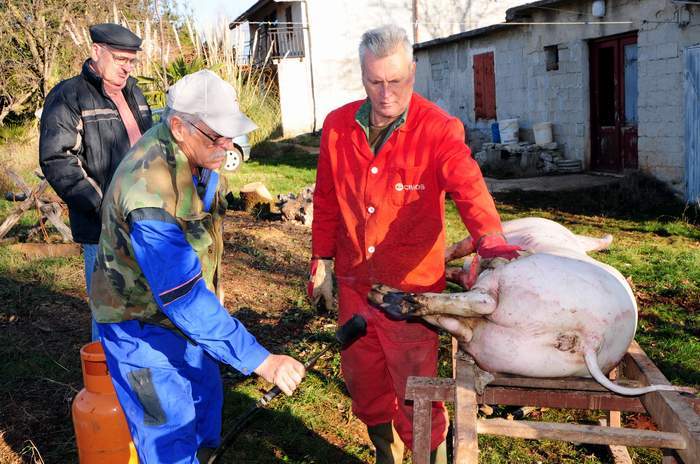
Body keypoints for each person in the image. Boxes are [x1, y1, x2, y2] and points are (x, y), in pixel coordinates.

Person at [309, 25, 521, 464]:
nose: (385, 94)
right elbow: (326, 198)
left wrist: (491, 240)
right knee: (364, 383)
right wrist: (321, 260)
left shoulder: (439, 130)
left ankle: (428, 456)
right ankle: (385, 455)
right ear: (362, 76)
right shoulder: (337, 128)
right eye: (375, 82)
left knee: (416, 390)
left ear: (413, 72)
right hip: (353, 284)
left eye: (397, 82)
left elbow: (468, 186)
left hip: (411, 295)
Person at [89, 69, 306, 463]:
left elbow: (202, 238)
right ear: (178, 126)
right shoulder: (148, 193)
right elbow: (183, 297)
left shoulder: (199, 156)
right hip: (139, 329)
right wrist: (262, 360)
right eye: (216, 135)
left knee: (206, 401)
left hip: (183, 321)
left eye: (230, 133)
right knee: (167, 432)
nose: (227, 144)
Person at [39, 23, 152, 341]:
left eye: (131, 61)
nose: (126, 68)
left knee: (144, 302)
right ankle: (105, 382)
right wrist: (105, 209)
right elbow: (58, 159)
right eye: (120, 59)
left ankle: (139, 374)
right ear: (96, 51)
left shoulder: (134, 93)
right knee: (109, 309)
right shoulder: (69, 96)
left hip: (145, 219)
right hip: (103, 225)